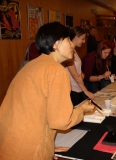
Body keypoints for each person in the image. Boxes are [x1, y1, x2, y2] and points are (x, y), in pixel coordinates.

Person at [0, 22, 94, 159]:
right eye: (68, 39)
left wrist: (47, 146)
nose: (72, 44)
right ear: (56, 44)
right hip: (28, 152)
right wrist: (82, 109)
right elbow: (61, 121)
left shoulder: (33, 64)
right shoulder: (56, 70)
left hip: (9, 143)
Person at [66, 26, 94, 106]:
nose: (84, 41)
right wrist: (86, 91)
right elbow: (74, 75)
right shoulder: (69, 51)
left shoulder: (74, 50)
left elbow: (77, 69)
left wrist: (82, 74)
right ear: (76, 37)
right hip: (72, 89)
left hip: (77, 87)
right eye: (82, 39)